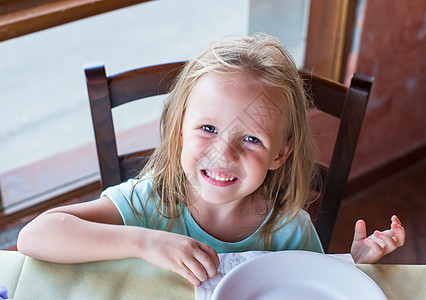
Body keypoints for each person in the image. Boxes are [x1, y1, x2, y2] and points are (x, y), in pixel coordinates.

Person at [17, 34, 405, 287]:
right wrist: (144, 242)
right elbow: (34, 236)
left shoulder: (289, 228)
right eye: (207, 129)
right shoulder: (150, 201)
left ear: (280, 154)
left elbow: (309, 287)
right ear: (179, 131)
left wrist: (351, 265)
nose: (225, 153)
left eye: (251, 138)